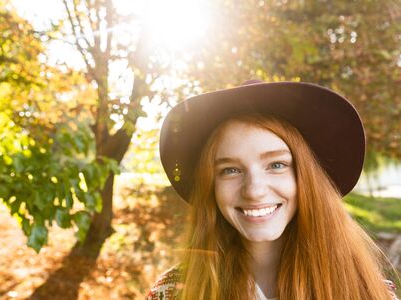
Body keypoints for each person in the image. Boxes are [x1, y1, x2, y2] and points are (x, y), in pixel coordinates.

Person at [146, 80, 399, 300]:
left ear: (306, 177)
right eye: (230, 170)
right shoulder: (172, 293)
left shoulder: (368, 291)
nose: (254, 190)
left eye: (276, 165)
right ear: (210, 185)